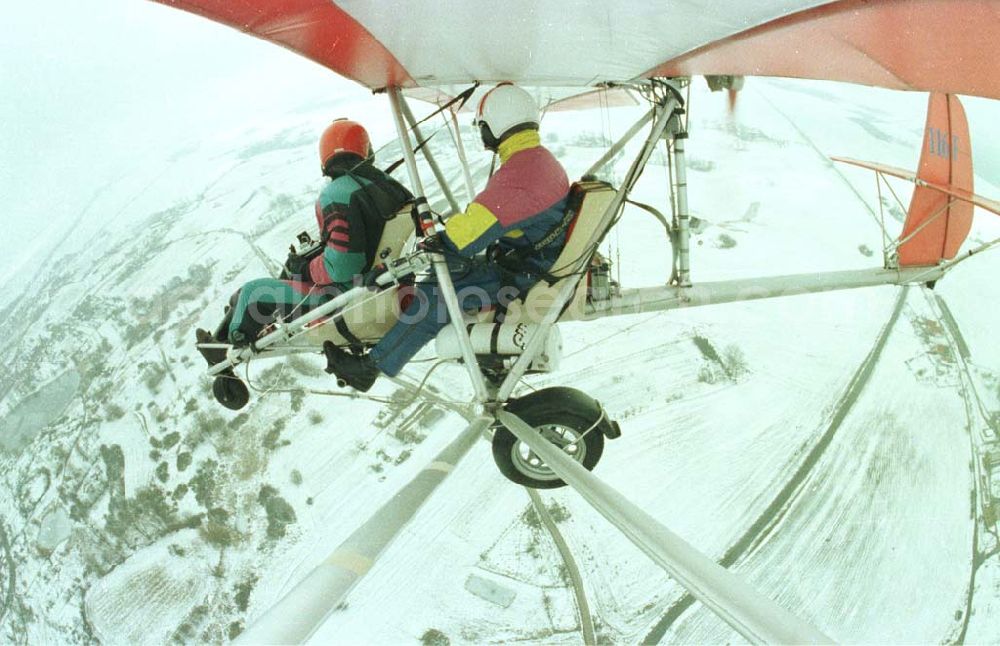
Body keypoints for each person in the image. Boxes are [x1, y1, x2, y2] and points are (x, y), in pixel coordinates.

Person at [324, 83, 570, 392]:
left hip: (523, 276)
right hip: (526, 262)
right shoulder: (536, 160)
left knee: (434, 298)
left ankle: (372, 368)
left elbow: (464, 240)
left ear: (495, 124)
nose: (481, 133)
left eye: (482, 126)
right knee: (441, 274)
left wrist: (436, 243)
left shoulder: (521, 175)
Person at [196, 119, 412, 360]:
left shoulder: (337, 193)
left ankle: (226, 350)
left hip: (348, 301)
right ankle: (225, 339)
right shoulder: (391, 186)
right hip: (387, 290)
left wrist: (305, 268)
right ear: (366, 149)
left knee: (251, 293)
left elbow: (342, 268)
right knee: (263, 289)